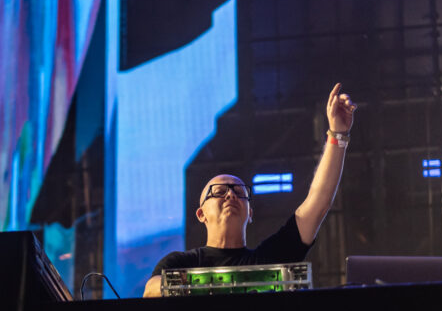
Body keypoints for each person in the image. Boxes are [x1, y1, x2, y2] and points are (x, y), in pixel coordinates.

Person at [143, 83, 356, 297]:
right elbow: (151, 290)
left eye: (239, 192)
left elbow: (318, 203)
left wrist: (338, 135)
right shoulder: (181, 262)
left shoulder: (269, 259)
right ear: (201, 214)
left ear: (250, 213)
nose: (230, 195)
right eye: (219, 191)